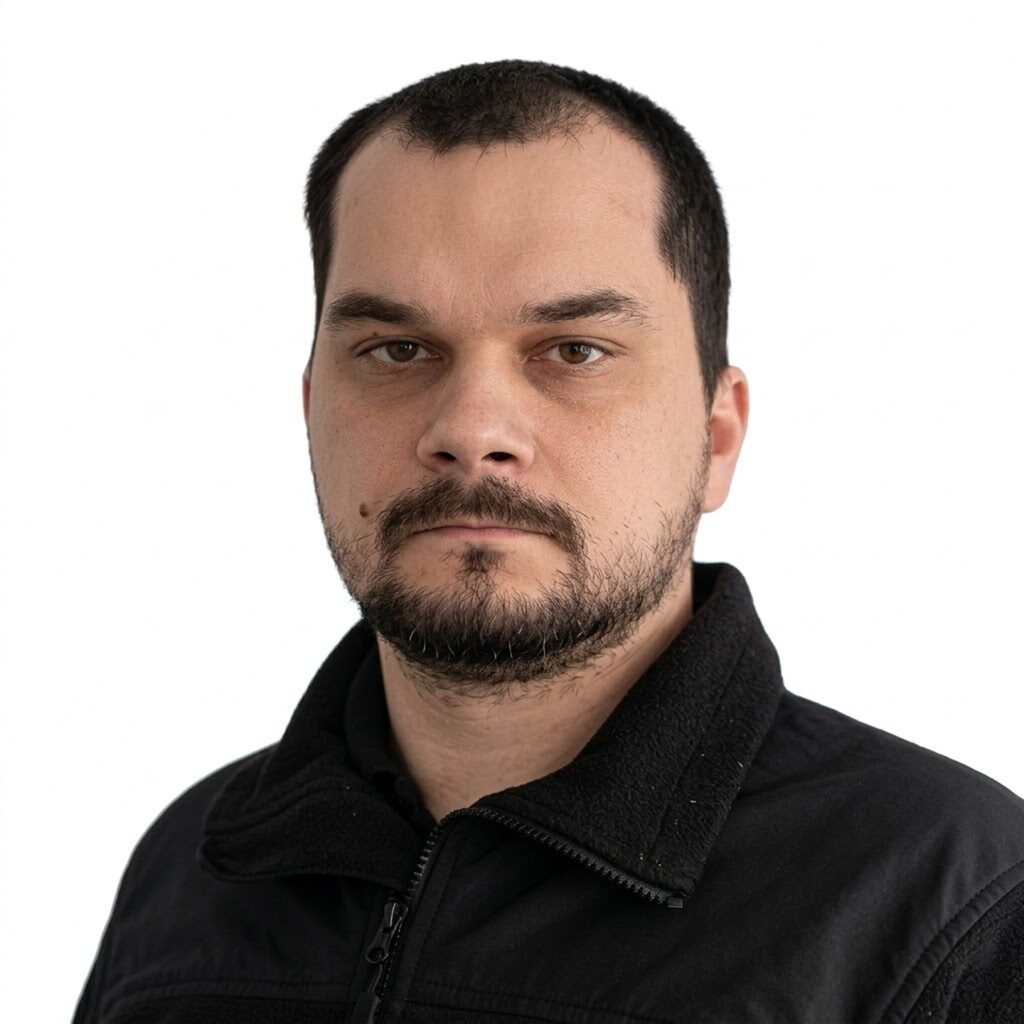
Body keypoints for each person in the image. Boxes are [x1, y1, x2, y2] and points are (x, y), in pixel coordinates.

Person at [72, 60, 1024, 1024]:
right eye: (397, 350)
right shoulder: (189, 873)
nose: (471, 429)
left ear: (715, 435)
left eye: (575, 351)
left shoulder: (958, 904)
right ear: (313, 409)